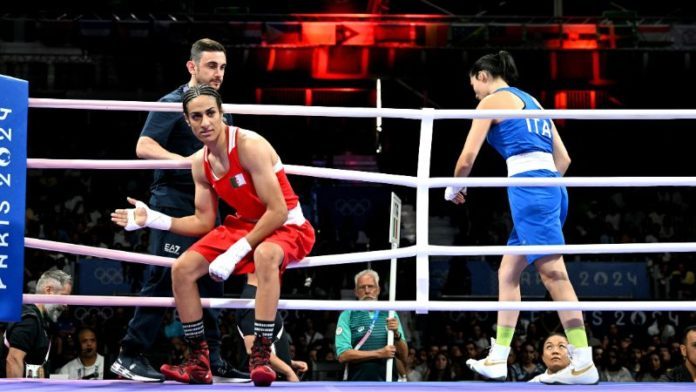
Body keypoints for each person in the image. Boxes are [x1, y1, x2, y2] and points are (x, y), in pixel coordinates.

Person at [111, 85, 315, 386]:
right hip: (244, 224)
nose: (205, 122)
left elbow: (277, 211)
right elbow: (204, 222)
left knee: (264, 254)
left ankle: (259, 355)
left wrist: (234, 253)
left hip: (286, 224)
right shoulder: (200, 162)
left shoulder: (249, 145)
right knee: (181, 269)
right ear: (187, 121)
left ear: (222, 115)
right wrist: (153, 219)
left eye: (210, 114)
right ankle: (198, 361)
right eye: (196, 116)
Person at [445, 50, 598, 384]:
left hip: (531, 190)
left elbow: (468, 156)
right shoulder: (535, 103)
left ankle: (584, 363)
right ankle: (498, 358)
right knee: (508, 271)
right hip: (550, 189)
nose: (476, 95)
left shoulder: (491, 102)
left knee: (554, 274)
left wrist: (454, 187)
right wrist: (542, 189)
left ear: (482, 76)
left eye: (475, 87)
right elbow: (564, 159)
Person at [109, 38, 246, 382]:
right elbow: (144, 146)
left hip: (210, 203)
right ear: (192, 66)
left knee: (213, 277)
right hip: (173, 198)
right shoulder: (171, 104)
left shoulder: (222, 111)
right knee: (161, 276)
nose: (218, 74)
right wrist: (186, 162)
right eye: (212, 66)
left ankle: (210, 358)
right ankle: (129, 354)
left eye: (223, 67)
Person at [335, 269, 408, 381]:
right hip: (356, 384)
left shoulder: (390, 313)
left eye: (371, 286)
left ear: (378, 290)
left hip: (387, 384)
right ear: (355, 292)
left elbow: (403, 356)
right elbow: (343, 355)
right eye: (362, 287)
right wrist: (379, 353)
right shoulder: (347, 315)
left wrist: (396, 334)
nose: (367, 291)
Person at [236, 273, 309, 382]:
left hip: (271, 378)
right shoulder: (252, 297)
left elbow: (268, 343)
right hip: (264, 381)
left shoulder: (262, 296)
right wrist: (288, 371)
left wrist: (289, 362)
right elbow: (252, 348)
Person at [1, 269, 72, 378]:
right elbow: (14, 360)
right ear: (48, 290)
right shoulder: (29, 320)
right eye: (64, 296)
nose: (66, 304)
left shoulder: (42, 321)